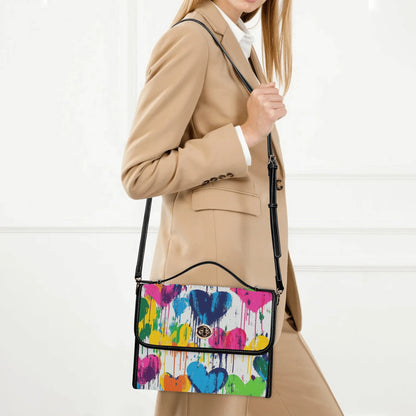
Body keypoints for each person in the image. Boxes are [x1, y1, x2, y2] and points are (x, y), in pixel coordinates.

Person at [121, 0, 344, 414]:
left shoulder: (237, 42)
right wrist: (244, 135)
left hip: (261, 300)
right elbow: (140, 172)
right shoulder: (192, 39)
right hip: (212, 307)